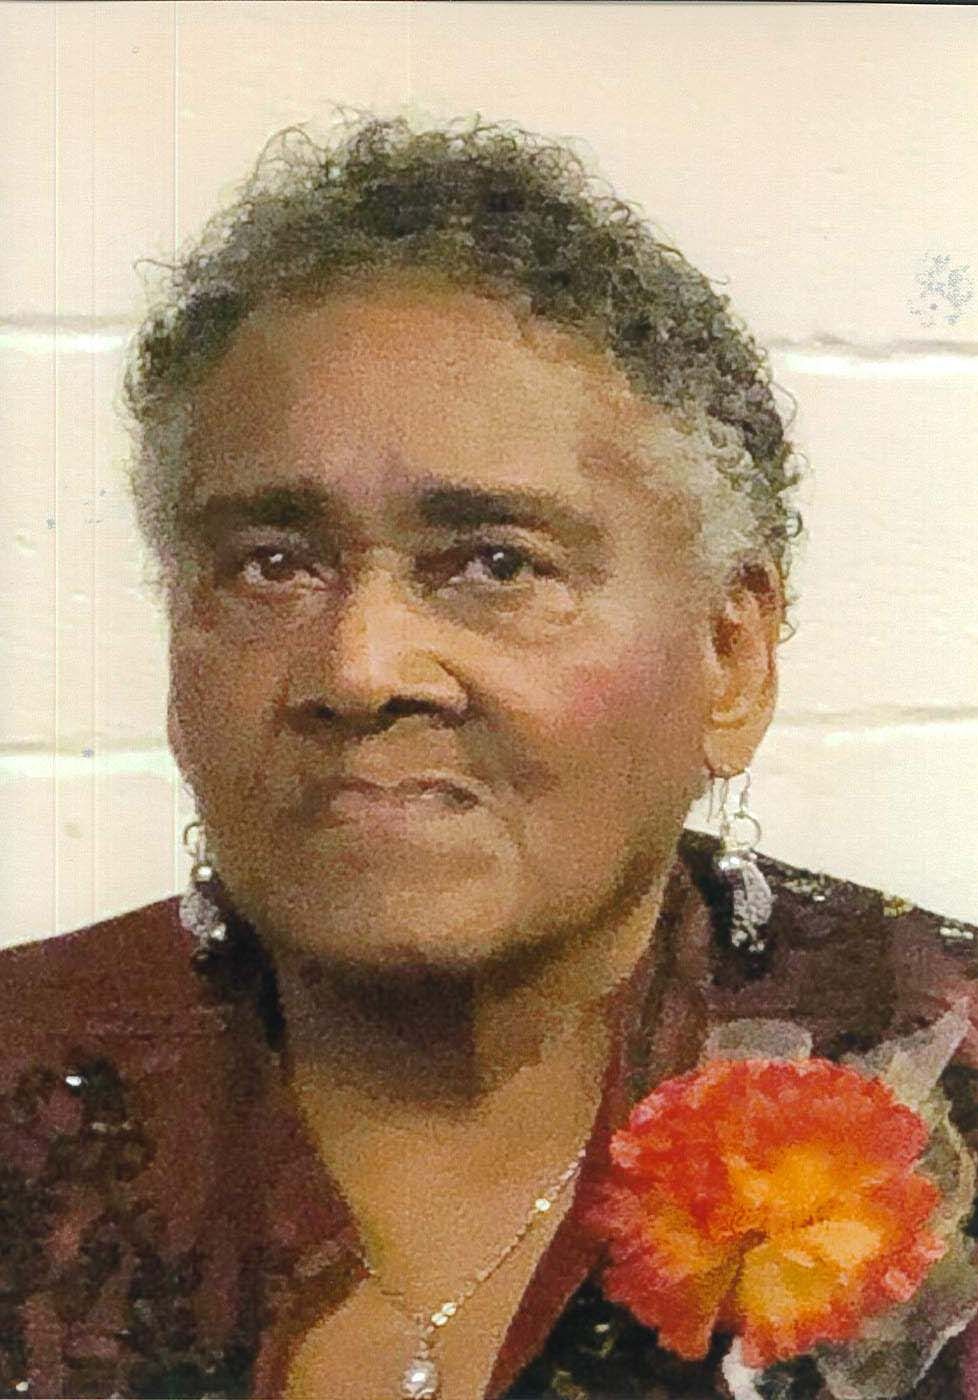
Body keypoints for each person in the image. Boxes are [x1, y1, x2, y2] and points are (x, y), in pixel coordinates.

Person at [1, 114, 976, 1400]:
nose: (362, 666)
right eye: (271, 564)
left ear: (730, 652)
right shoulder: (30, 1090)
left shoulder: (945, 1081)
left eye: (497, 563)